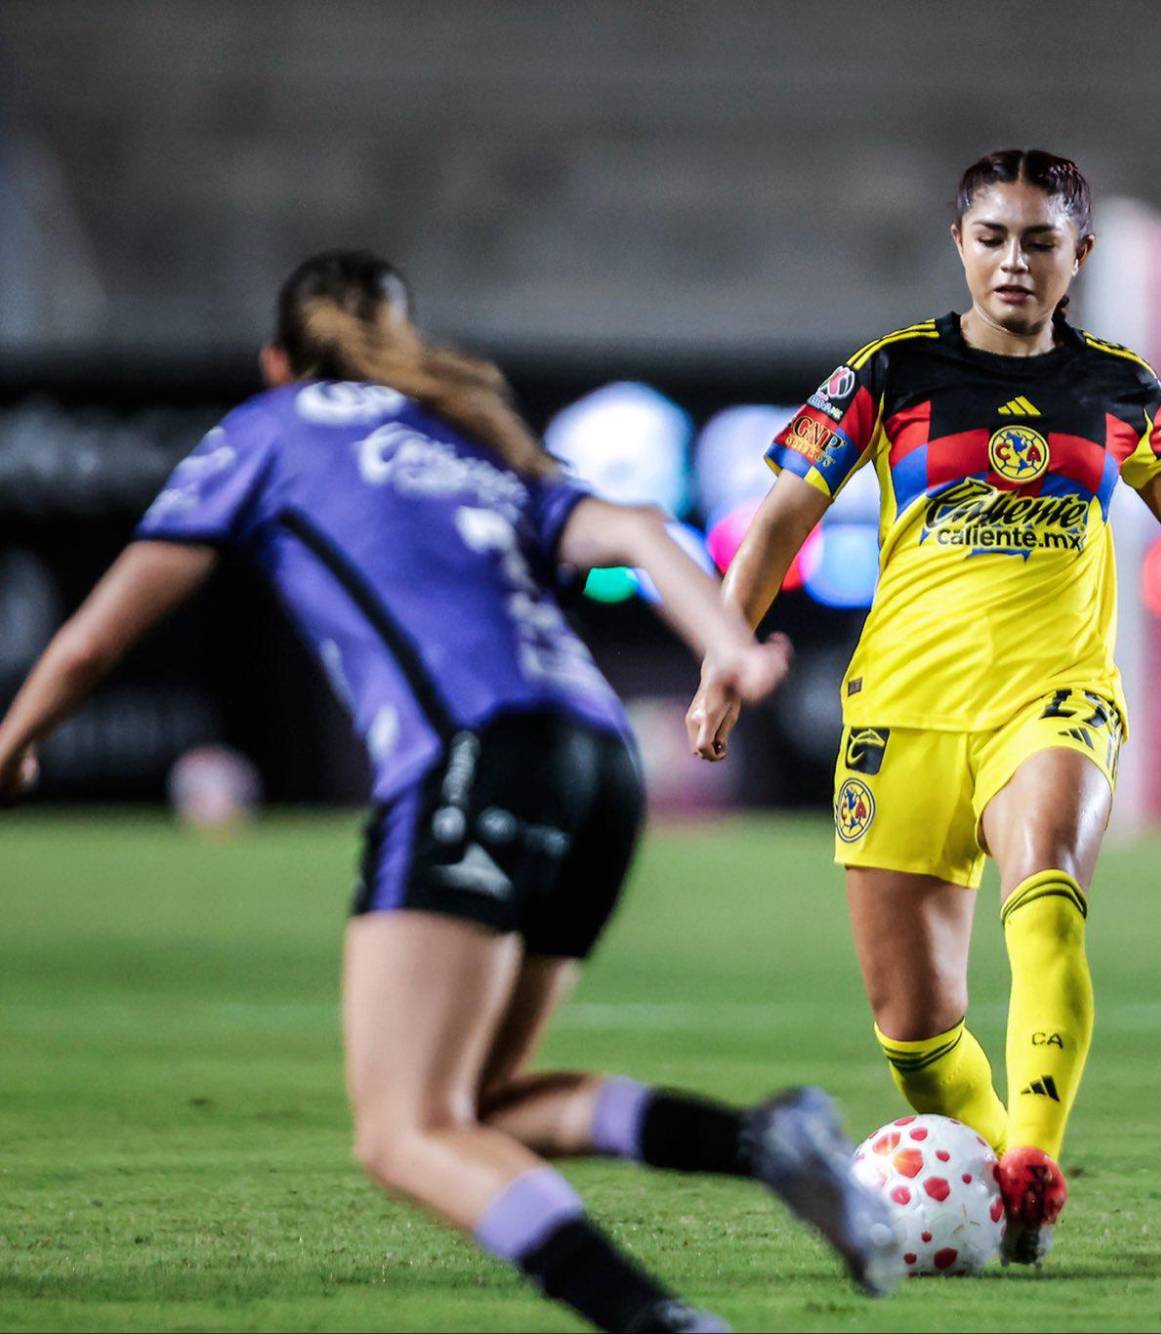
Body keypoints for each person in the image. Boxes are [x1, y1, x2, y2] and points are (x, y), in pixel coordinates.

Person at [0, 251, 897, 1333]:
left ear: (277, 357)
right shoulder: (472, 437)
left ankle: (650, 1316)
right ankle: (759, 1141)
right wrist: (729, 651)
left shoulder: (271, 424)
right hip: (598, 762)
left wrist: (13, 741)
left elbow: (97, 638)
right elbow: (634, 529)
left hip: (474, 757)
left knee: (402, 1131)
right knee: (473, 1107)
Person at [684, 149, 1161, 1267]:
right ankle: (1004, 1196)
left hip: (1053, 696)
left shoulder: (1118, 387)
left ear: (1077, 255)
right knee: (913, 1030)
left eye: (1040, 240)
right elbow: (781, 517)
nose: (1014, 261)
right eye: (992, 236)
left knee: (1046, 890)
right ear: (958, 243)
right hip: (901, 717)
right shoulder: (889, 373)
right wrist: (717, 655)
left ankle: (1031, 1153)